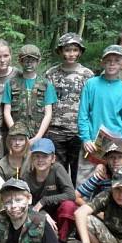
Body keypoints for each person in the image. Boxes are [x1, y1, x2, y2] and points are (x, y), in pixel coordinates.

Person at [76, 45, 122, 185]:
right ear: (102, 62)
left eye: (117, 60)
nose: (112, 64)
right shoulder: (91, 84)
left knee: (113, 184)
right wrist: (86, 139)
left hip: (114, 145)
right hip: (92, 144)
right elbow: (83, 114)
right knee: (86, 183)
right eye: (108, 60)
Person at [45, 33, 94, 185]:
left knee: (77, 171)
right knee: (57, 170)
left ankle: (75, 202)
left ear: (80, 52)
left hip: (78, 131)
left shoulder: (87, 75)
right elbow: (45, 102)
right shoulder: (51, 74)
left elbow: (90, 105)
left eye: (74, 50)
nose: (71, 54)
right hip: (56, 129)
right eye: (67, 50)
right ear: (60, 51)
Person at [21, 138, 76, 243]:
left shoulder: (57, 169)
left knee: (69, 206)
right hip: (38, 213)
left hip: (57, 213)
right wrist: (43, 213)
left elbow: (71, 195)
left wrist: (44, 200)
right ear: (32, 158)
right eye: (36, 156)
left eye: (45, 156)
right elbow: (25, 203)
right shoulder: (27, 176)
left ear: (53, 158)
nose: (40, 160)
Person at [1, 44, 57, 143]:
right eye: (26, 60)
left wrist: (38, 137)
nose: (29, 64)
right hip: (17, 138)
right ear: (20, 61)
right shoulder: (11, 84)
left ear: (38, 61)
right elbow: (7, 112)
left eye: (33, 60)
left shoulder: (46, 84)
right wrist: (17, 133)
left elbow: (48, 114)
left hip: (40, 135)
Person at [75, 139, 122, 205]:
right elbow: (75, 196)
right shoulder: (101, 175)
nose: (116, 160)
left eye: (120, 157)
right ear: (106, 159)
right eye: (112, 157)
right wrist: (92, 210)